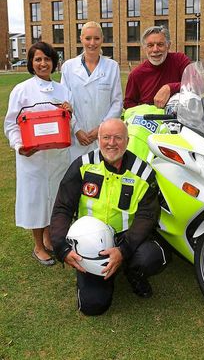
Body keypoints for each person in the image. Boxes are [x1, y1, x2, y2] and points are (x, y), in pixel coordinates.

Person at [50, 118, 168, 316]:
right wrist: (61, 248)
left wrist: (123, 250)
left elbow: (147, 215)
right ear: (98, 139)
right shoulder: (82, 166)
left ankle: (131, 271)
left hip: (127, 237)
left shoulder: (143, 172)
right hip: (91, 243)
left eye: (118, 138)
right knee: (94, 306)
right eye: (106, 137)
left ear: (127, 141)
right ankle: (96, 271)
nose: (111, 143)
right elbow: (63, 207)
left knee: (152, 256)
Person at [4, 42, 73, 266]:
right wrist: (19, 146)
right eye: (38, 59)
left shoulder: (63, 90)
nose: (43, 63)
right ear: (31, 63)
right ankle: (38, 246)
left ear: (54, 62)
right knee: (35, 200)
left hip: (57, 158)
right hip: (32, 157)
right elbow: (11, 124)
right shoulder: (21, 90)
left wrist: (69, 112)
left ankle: (49, 237)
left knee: (54, 198)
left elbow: (68, 124)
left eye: (47, 59)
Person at [61, 21, 123, 161]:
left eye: (96, 38)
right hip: (77, 138)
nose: (92, 43)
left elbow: (117, 103)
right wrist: (76, 129)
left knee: (102, 177)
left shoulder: (112, 66)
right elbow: (64, 103)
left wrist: (101, 129)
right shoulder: (68, 67)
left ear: (102, 39)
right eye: (88, 38)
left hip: (104, 137)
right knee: (78, 176)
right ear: (81, 39)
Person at [124, 25, 190, 109]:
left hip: (180, 118)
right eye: (150, 45)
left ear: (168, 45)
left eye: (160, 44)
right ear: (144, 48)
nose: (155, 50)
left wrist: (169, 88)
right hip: (149, 120)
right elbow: (128, 103)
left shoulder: (180, 60)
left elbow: (198, 84)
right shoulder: (136, 74)